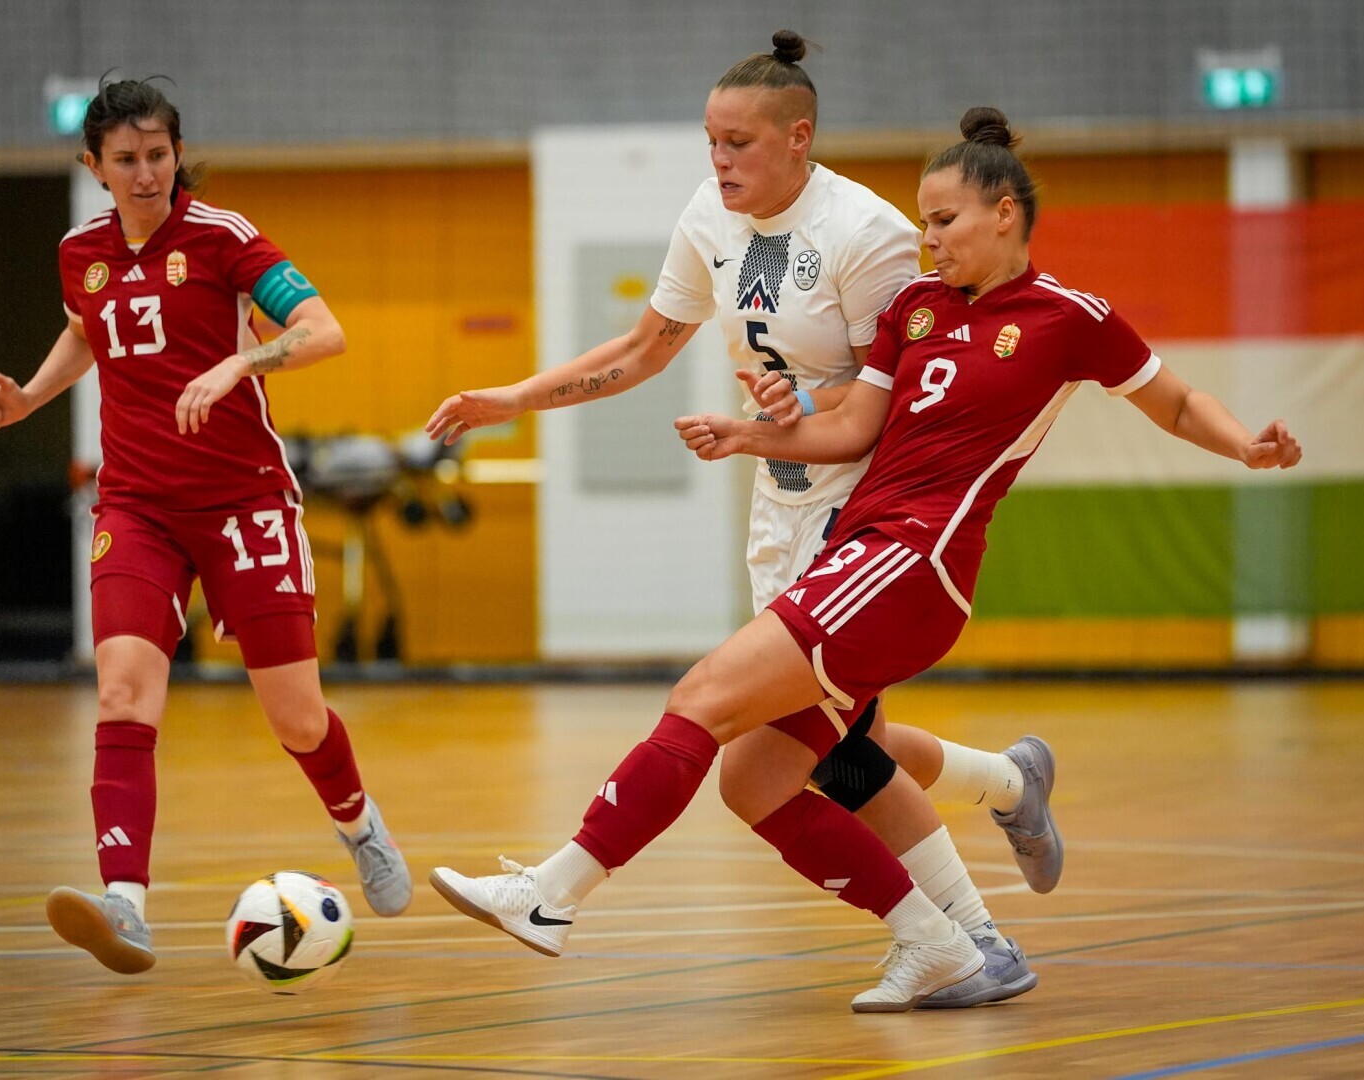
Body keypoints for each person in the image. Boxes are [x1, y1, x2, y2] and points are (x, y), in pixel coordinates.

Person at [429, 104, 1301, 1013]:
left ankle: (552, 896)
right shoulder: (916, 311)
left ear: (1006, 212)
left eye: (945, 220)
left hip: (913, 562)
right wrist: (749, 432)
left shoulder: (1067, 317)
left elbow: (1173, 401)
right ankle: (939, 944)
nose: (928, 241)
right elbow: (850, 426)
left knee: (701, 699)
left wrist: (1245, 446)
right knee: (756, 780)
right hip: (860, 552)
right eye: (923, 222)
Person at [427, 35, 1044, 1008]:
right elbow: (643, 346)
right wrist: (515, 399)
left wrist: (779, 424)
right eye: (709, 142)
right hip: (778, 514)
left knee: (770, 730)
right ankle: (999, 816)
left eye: (739, 144)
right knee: (825, 751)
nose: (719, 163)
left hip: (861, 528)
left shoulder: (869, 236)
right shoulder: (709, 215)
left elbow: (892, 417)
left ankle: (556, 891)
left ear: (799, 139)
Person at [0, 78, 412, 974]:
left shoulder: (221, 237)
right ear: (93, 166)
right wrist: (29, 398)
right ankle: (124, 905)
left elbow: (325, 332)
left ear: (178, 154)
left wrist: (239, 362)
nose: (145, 174)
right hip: (136, 505)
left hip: (245, 501)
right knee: (124, 693)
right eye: (125, 160)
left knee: (294, 718)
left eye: (159, 156)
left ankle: (358, 822)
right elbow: (88, 333)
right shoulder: (79, 252)